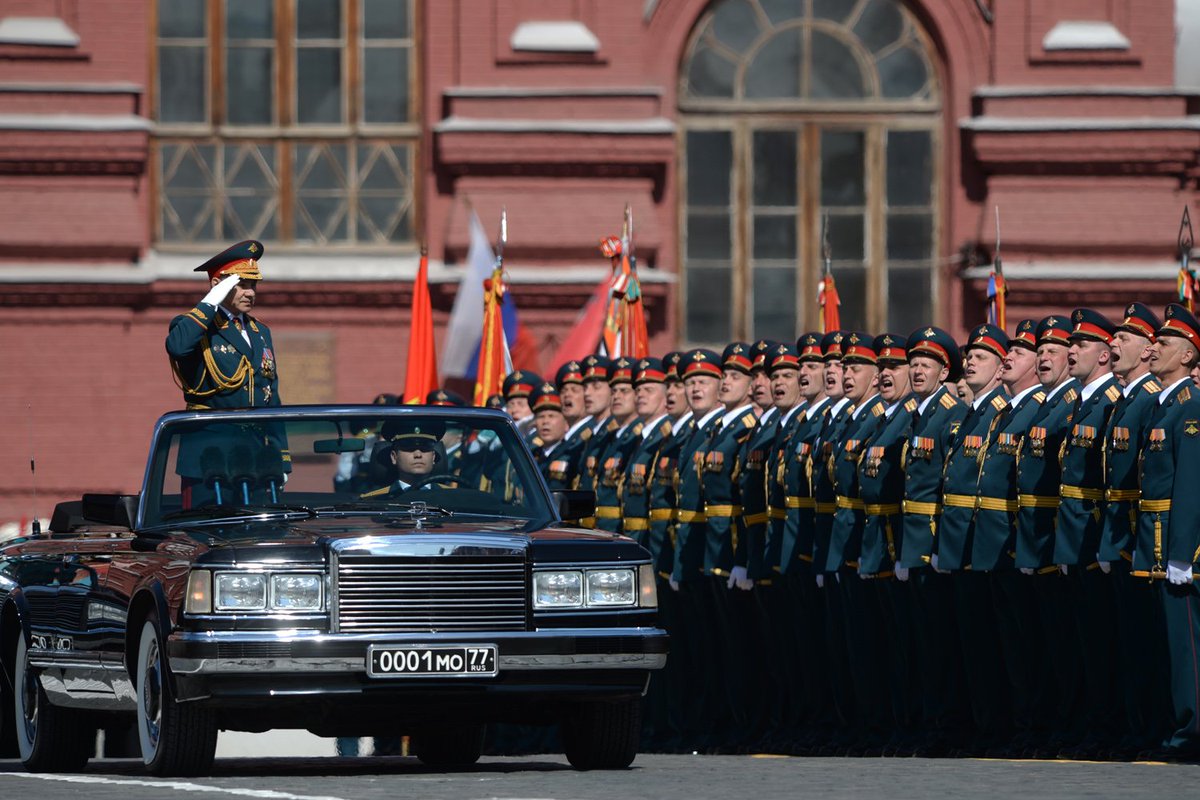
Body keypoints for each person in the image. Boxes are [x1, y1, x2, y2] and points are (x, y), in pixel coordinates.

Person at [1102, 303, 1168, 757]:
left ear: (1149, 351)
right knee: (1124, 643)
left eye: (1124, 339)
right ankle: (1135, 725)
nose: (1114, 343)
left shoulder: (1149, 401)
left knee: (1147, 643)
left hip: (1139, 539)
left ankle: (1151, 727)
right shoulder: (1126, 399)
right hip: (1117, 535)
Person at [1134, 303, 1200, 761]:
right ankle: (1178, 726)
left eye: (1167, 343)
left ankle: (1193, 731)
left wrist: (1183, 553)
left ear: (1190, 357)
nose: (1155, 347)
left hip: (1176, 548)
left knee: (1187, 646)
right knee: (1168, 647)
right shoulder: (1160, 409)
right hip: (1152, 544)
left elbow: (1190, 485)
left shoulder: (1189, 409)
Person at [166, 240, 281, 410]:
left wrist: (275, 437)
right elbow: (177, 347)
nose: (250, 293)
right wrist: (210, 301)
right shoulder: (196, 326)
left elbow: (272, 397)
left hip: (255, 435)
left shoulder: (261, 331)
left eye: (253, 285)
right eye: (241, 285)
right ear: (217, 285)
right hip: (214, 433)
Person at [361, 421, 447, 496]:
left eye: (425, 448)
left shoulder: (453, 497)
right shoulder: (375, 501)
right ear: (394, 457)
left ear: (433, 457)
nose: (418, 454)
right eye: (409, 448)